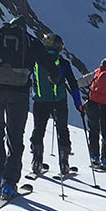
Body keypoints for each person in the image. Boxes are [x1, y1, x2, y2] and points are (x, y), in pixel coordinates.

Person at [0, 16, 70, 198]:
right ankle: (9, 184)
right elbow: (50, 66)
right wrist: (54, 79)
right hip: (18, 93)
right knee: (15, 135)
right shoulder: (30, 41)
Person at [28, 32, 84, 176]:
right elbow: (73, 84)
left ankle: (37, 162)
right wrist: (79, 104)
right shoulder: (63, 63)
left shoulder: (35, 60)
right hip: (59, 101)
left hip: (40, 101)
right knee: (62, 130)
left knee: (38, 129)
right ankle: (64, 164)